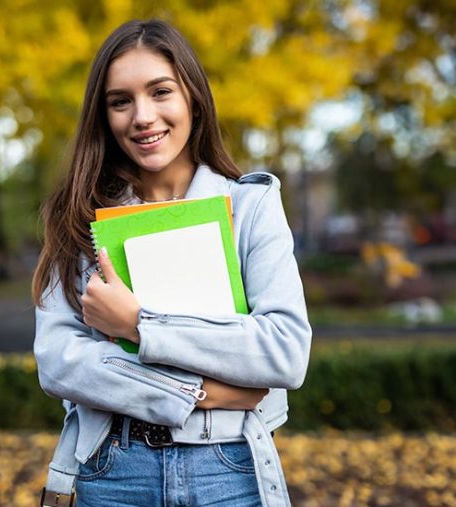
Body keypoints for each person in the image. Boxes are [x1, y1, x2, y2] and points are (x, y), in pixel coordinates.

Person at [32, 19, 311, 507]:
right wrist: (202, 391)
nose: (142, 116)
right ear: (104, 115)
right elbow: (60, 362)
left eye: (160, 91)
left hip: (227, 470)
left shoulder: (250, 207)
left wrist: (138, 325)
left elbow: (284, 352)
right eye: (121, 101)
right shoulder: (78, 216)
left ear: (193, 99)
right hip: (113, 469)